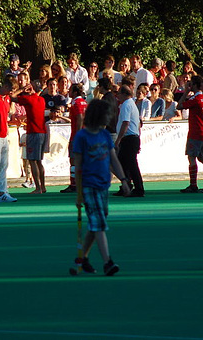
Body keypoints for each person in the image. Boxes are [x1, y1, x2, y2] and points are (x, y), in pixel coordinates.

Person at [73, 99, 130, 276]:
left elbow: (113, 158)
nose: (110, 118)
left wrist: (123, 179)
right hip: (89, 186)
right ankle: (108, 261)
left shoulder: (105, 135)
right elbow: (78, 165)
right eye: (107, 115)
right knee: (99, 223)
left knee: (96, 222)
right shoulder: (82, 137)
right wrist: (79, 193)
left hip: (103, 185)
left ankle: (84, 258)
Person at [15, 80, 48, 194]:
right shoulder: (42, 100)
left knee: (32, 160)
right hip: (42, 132)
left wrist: (22, 90)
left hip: (34, 132)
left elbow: (11, 97)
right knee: (39, 161)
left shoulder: (29, 99)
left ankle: (38, 187)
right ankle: (42, 186)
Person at [178, 76, 203, 193]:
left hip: (195, 132)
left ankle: (193, 184)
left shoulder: (195, 99)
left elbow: (179, 106)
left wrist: (185, 92)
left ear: (195, 86)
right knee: (202, 158)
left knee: (191, 157)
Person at [114, 85, 144, 197]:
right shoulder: (131, 104)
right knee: (124, 163)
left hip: (129, 138)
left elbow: (125, 123)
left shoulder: (126, 105)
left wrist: (118, 140)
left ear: (124, 94)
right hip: (132, 138)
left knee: (131, 165)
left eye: (119, 93)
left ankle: (138, 188)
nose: (117, 96)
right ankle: (127, 186)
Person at [61, 83, 88, 193]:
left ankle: (74, 184)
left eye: (71, 90)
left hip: (77, 136)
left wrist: (77, 135)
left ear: (75, 92)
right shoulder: (84, 102)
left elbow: (80, 117)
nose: (68, 91)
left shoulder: (76, 103)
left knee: (73, 160)